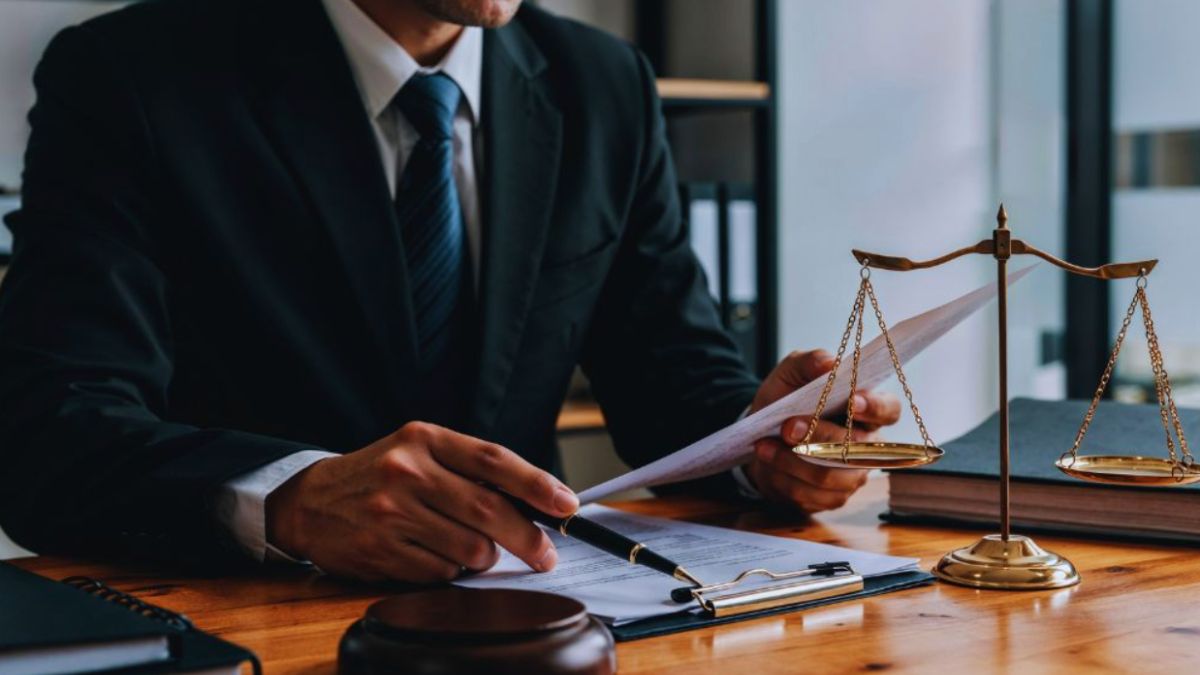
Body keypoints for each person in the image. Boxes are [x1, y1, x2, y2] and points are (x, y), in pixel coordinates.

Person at [0, 0, 900, 582]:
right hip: (249, 618)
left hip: (535, 614)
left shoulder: (602, 85)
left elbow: (672, 377)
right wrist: (291, 498)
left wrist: (765, 443)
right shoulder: (128, 77)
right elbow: (51, 435)